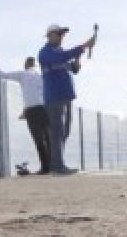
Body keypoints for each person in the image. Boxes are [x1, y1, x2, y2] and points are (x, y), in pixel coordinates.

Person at [38, 24, 95, 174]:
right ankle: (57, 167)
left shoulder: (59, 52)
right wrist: (83, 47)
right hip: (54, 96)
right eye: (58, 33)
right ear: (50, 35)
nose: (61, 36)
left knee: (64, 131)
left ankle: (58, 164)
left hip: (65, 96)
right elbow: (62, 58)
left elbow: (73, 69)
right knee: (57, 131)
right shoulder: (45, 53)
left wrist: (77, 59)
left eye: (62, 34)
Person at [0, 57, 51, 174]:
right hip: (43, 109)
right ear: (35, 65)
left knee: (38, 139)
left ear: (26, 65)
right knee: (47, 137)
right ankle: (51, 165)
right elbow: (42, 93)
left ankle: (45, 167)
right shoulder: (40, 75)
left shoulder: (23, 74)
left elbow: (4, 75)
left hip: (31, 111)